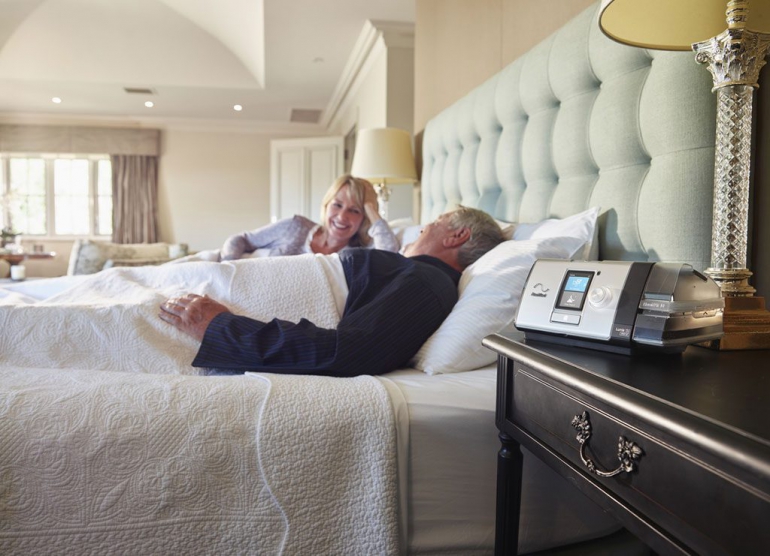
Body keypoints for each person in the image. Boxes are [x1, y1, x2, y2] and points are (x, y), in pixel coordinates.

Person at [159, 206, 505, 377]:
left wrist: (224, 328)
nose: (419, 232)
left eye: (431, 225)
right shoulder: (413, 271)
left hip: (207, 311)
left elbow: (352, 351)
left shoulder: (429, 283)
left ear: (456, 237)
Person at [220, 174, 399, 260]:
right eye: (337, 205)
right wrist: (230, 268)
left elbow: (389, 255)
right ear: (326, 205)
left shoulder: (360, 252)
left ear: (364, 218)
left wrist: (370, 207)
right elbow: (240, 239)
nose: (342, 216)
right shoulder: (294, 226)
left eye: (355, 210)